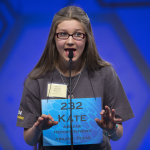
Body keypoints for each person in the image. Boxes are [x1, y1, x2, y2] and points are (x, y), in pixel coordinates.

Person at [16, 6, 134, 150]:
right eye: (63, 34)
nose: (70, 41)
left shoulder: (106, 74)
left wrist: (111, 129)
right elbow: (29, 140)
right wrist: (37, 128)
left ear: (87, 38)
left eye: (78, 34)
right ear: (54, 38)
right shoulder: (36, 80)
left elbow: (117, 134)